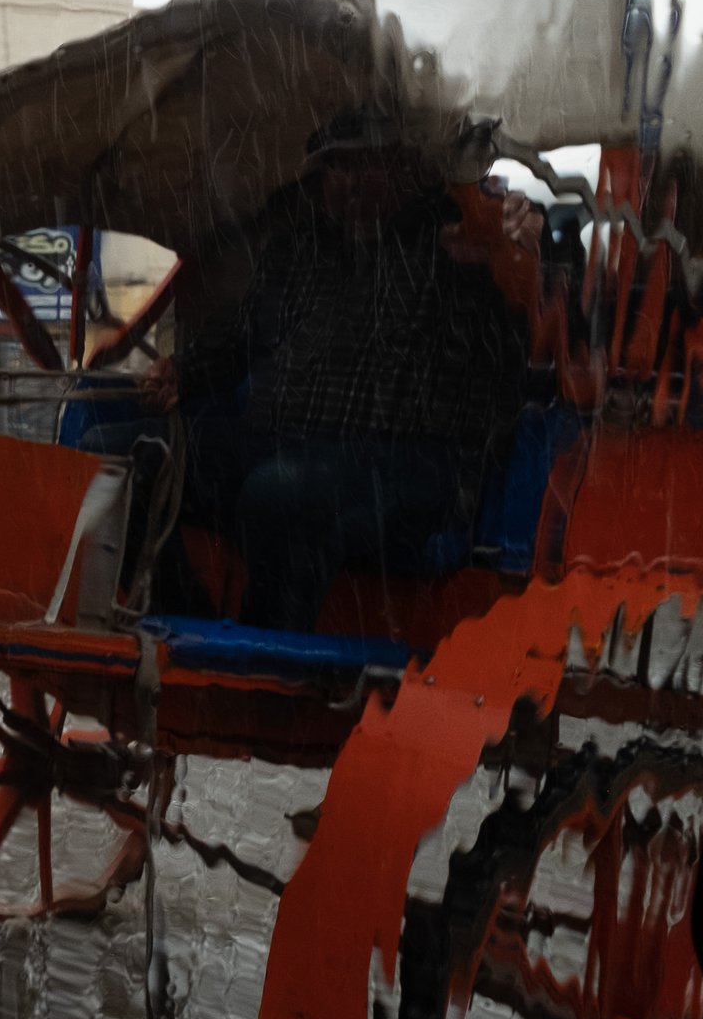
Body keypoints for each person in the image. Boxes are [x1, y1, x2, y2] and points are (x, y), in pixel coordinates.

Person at [93, 111, 536, 631]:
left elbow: (515, 339)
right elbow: (239, 335)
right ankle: (181, 621)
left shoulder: (456, 241)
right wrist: (183, 372)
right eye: (333, 168)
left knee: (279, 493)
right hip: (281, 441)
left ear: (399, 169)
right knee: (108, 457)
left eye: (359, 165)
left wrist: (510, 251)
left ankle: (260, 666)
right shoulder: (298, 247)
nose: (344, 183)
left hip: (410, 461)